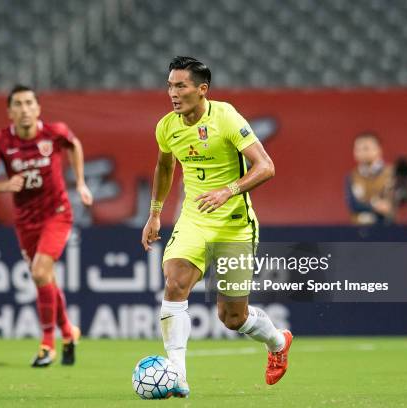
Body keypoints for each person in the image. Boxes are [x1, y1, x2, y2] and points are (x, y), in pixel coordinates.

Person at [141, 56, 292, 397]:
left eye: (180, 86)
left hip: (234, 225)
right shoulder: (167, 126)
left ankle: (277, 341)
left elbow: (265, 166)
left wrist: (229, 190)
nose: (173, 93)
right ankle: (177, 376)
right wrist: (154, 213)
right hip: (194, 219)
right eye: (169, 86)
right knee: (175, 281)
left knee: (232, 317)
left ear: (202, 89)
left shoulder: (225, 117)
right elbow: (165, 168)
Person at [0, 84, 93, 367]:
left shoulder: (55, 132)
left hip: (57, 213)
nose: (24, 109)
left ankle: (46, 344)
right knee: (45, 278)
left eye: (29, 103)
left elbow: (74, 145)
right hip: (26, 220)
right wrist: (4, 185)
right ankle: (69, 331)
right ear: (10, 112)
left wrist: (80, 182)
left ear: (38, 108)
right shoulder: (1, 141)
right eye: (18, 104)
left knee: (40, 272)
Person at [345, 133, 394, 225]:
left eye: (366, 148)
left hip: (386, 228)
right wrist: (374, 206)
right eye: (357, 149)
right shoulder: (352, 176)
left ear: (378, 150)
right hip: (359, 228)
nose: (361, 153)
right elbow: (352, 204)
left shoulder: (391, 173)